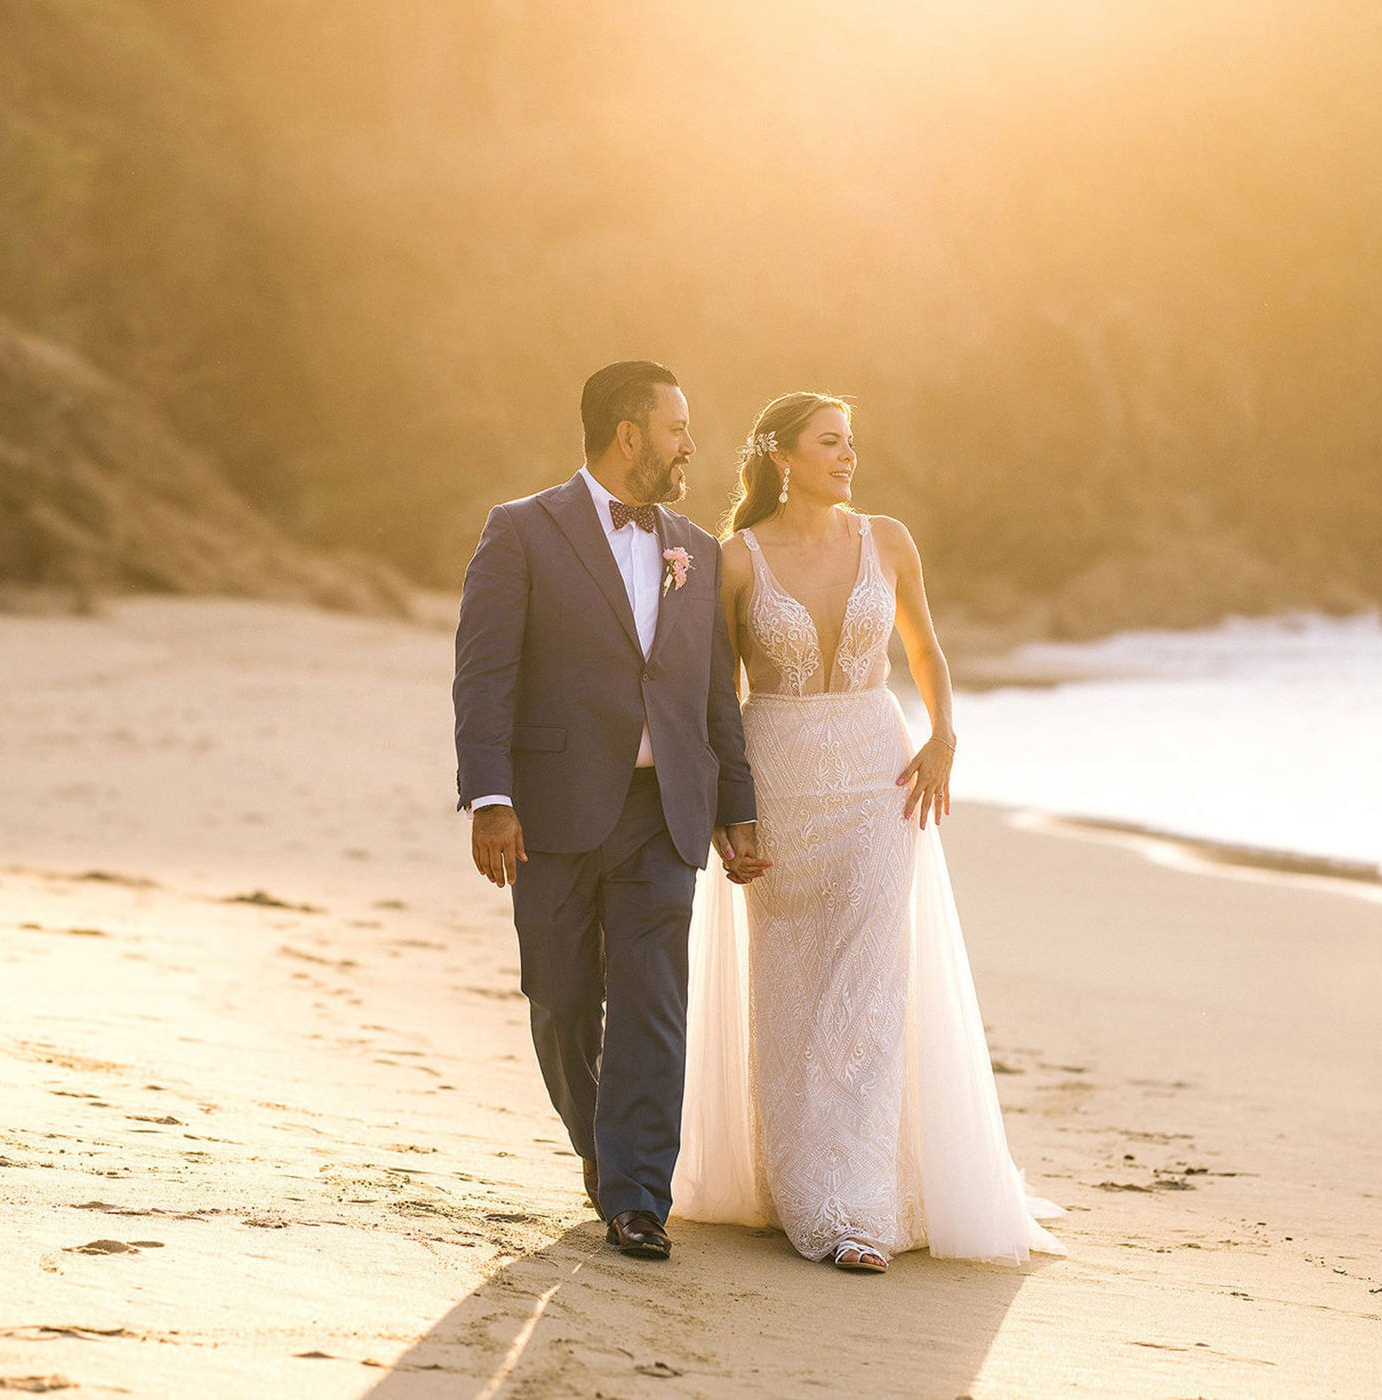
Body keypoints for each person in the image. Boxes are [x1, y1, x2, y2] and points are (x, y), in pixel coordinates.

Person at [672, 392, 1062, 1271]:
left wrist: (944, 735)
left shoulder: (887, 539)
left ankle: (853, 1210)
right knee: (790, 994)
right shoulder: (735, 558)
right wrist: (729, 811)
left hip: (880, 781)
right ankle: (798, 1185)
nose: (848, 455)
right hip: (779, 784)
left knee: (869, 992)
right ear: (783, 456)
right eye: (831, 442)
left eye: (851, 442)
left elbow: (925, 649)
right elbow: (719, 698)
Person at [453, 361, 768, 1261]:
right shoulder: (521, 529)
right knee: (559, 999)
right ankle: (601, 1146)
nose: (690, 446)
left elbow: (713, 692)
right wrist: (491, 798)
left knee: (652, 1004)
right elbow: (485, 672)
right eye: (677, 428)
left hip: (664, 810)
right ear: (629, 436)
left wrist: (735, 806)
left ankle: (637, 1199)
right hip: (550, 809)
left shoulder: (697, 549)